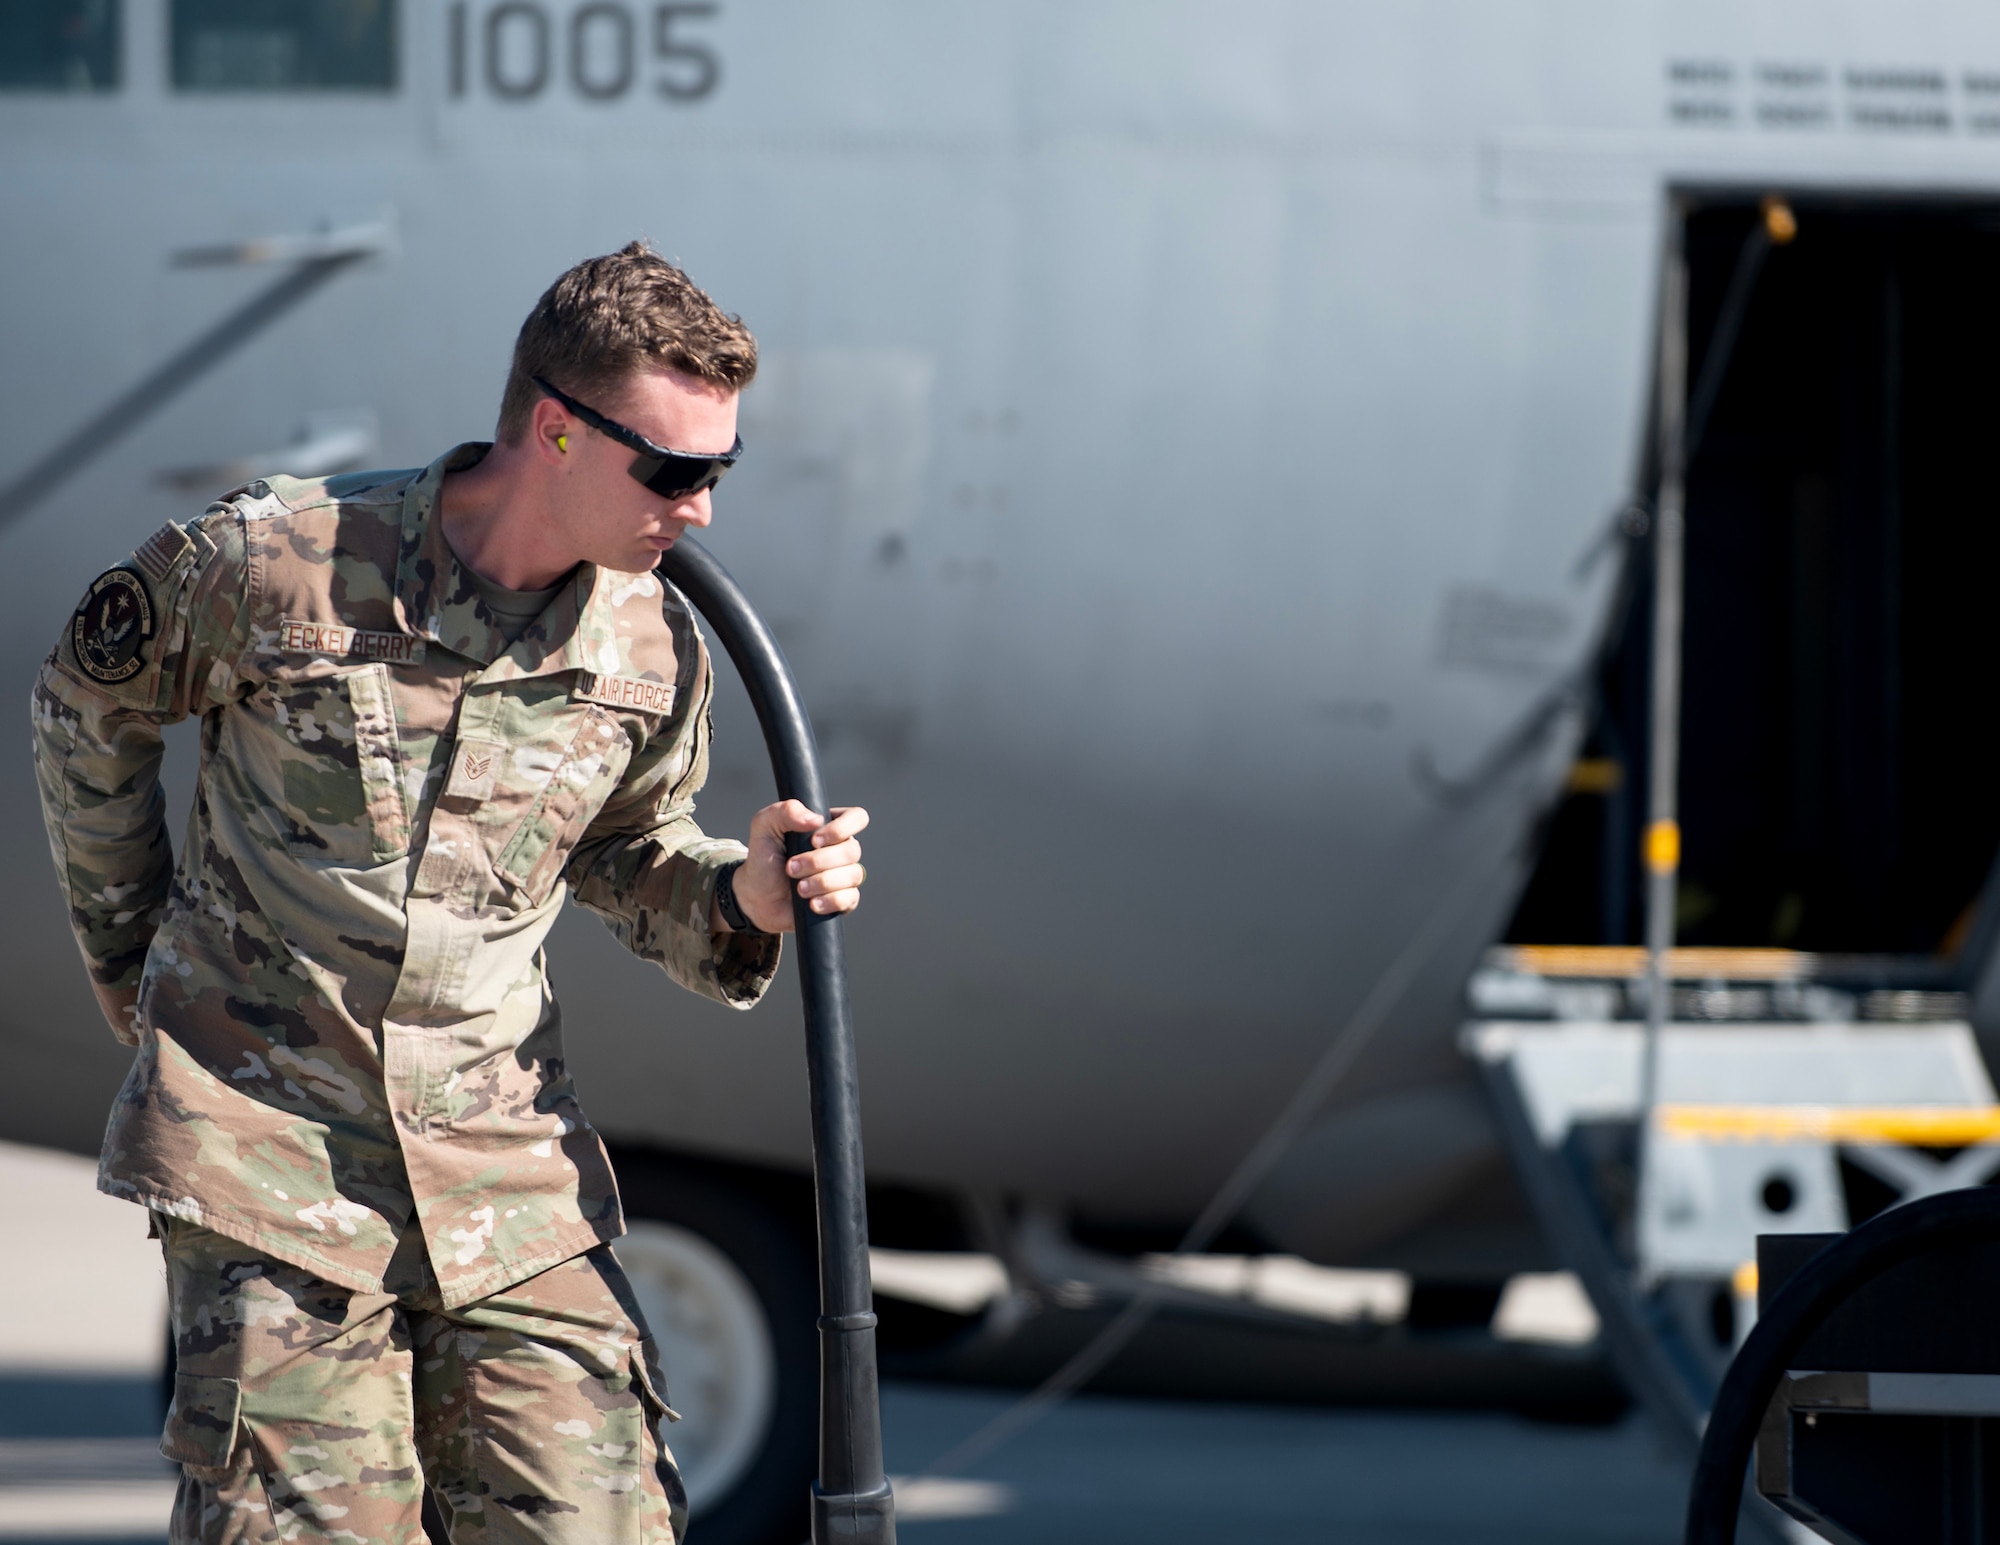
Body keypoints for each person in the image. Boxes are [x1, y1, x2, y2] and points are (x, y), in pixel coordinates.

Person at [31, 241, 868, 1543]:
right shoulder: (280, 566)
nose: (701, 509)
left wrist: (744, 897)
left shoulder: (650, 644)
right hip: (276, 1173)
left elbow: (628, 851)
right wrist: (136, 964)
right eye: (674, 471)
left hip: (507, 1181)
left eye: (722, 469)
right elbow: (88, 706)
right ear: (558, 432)